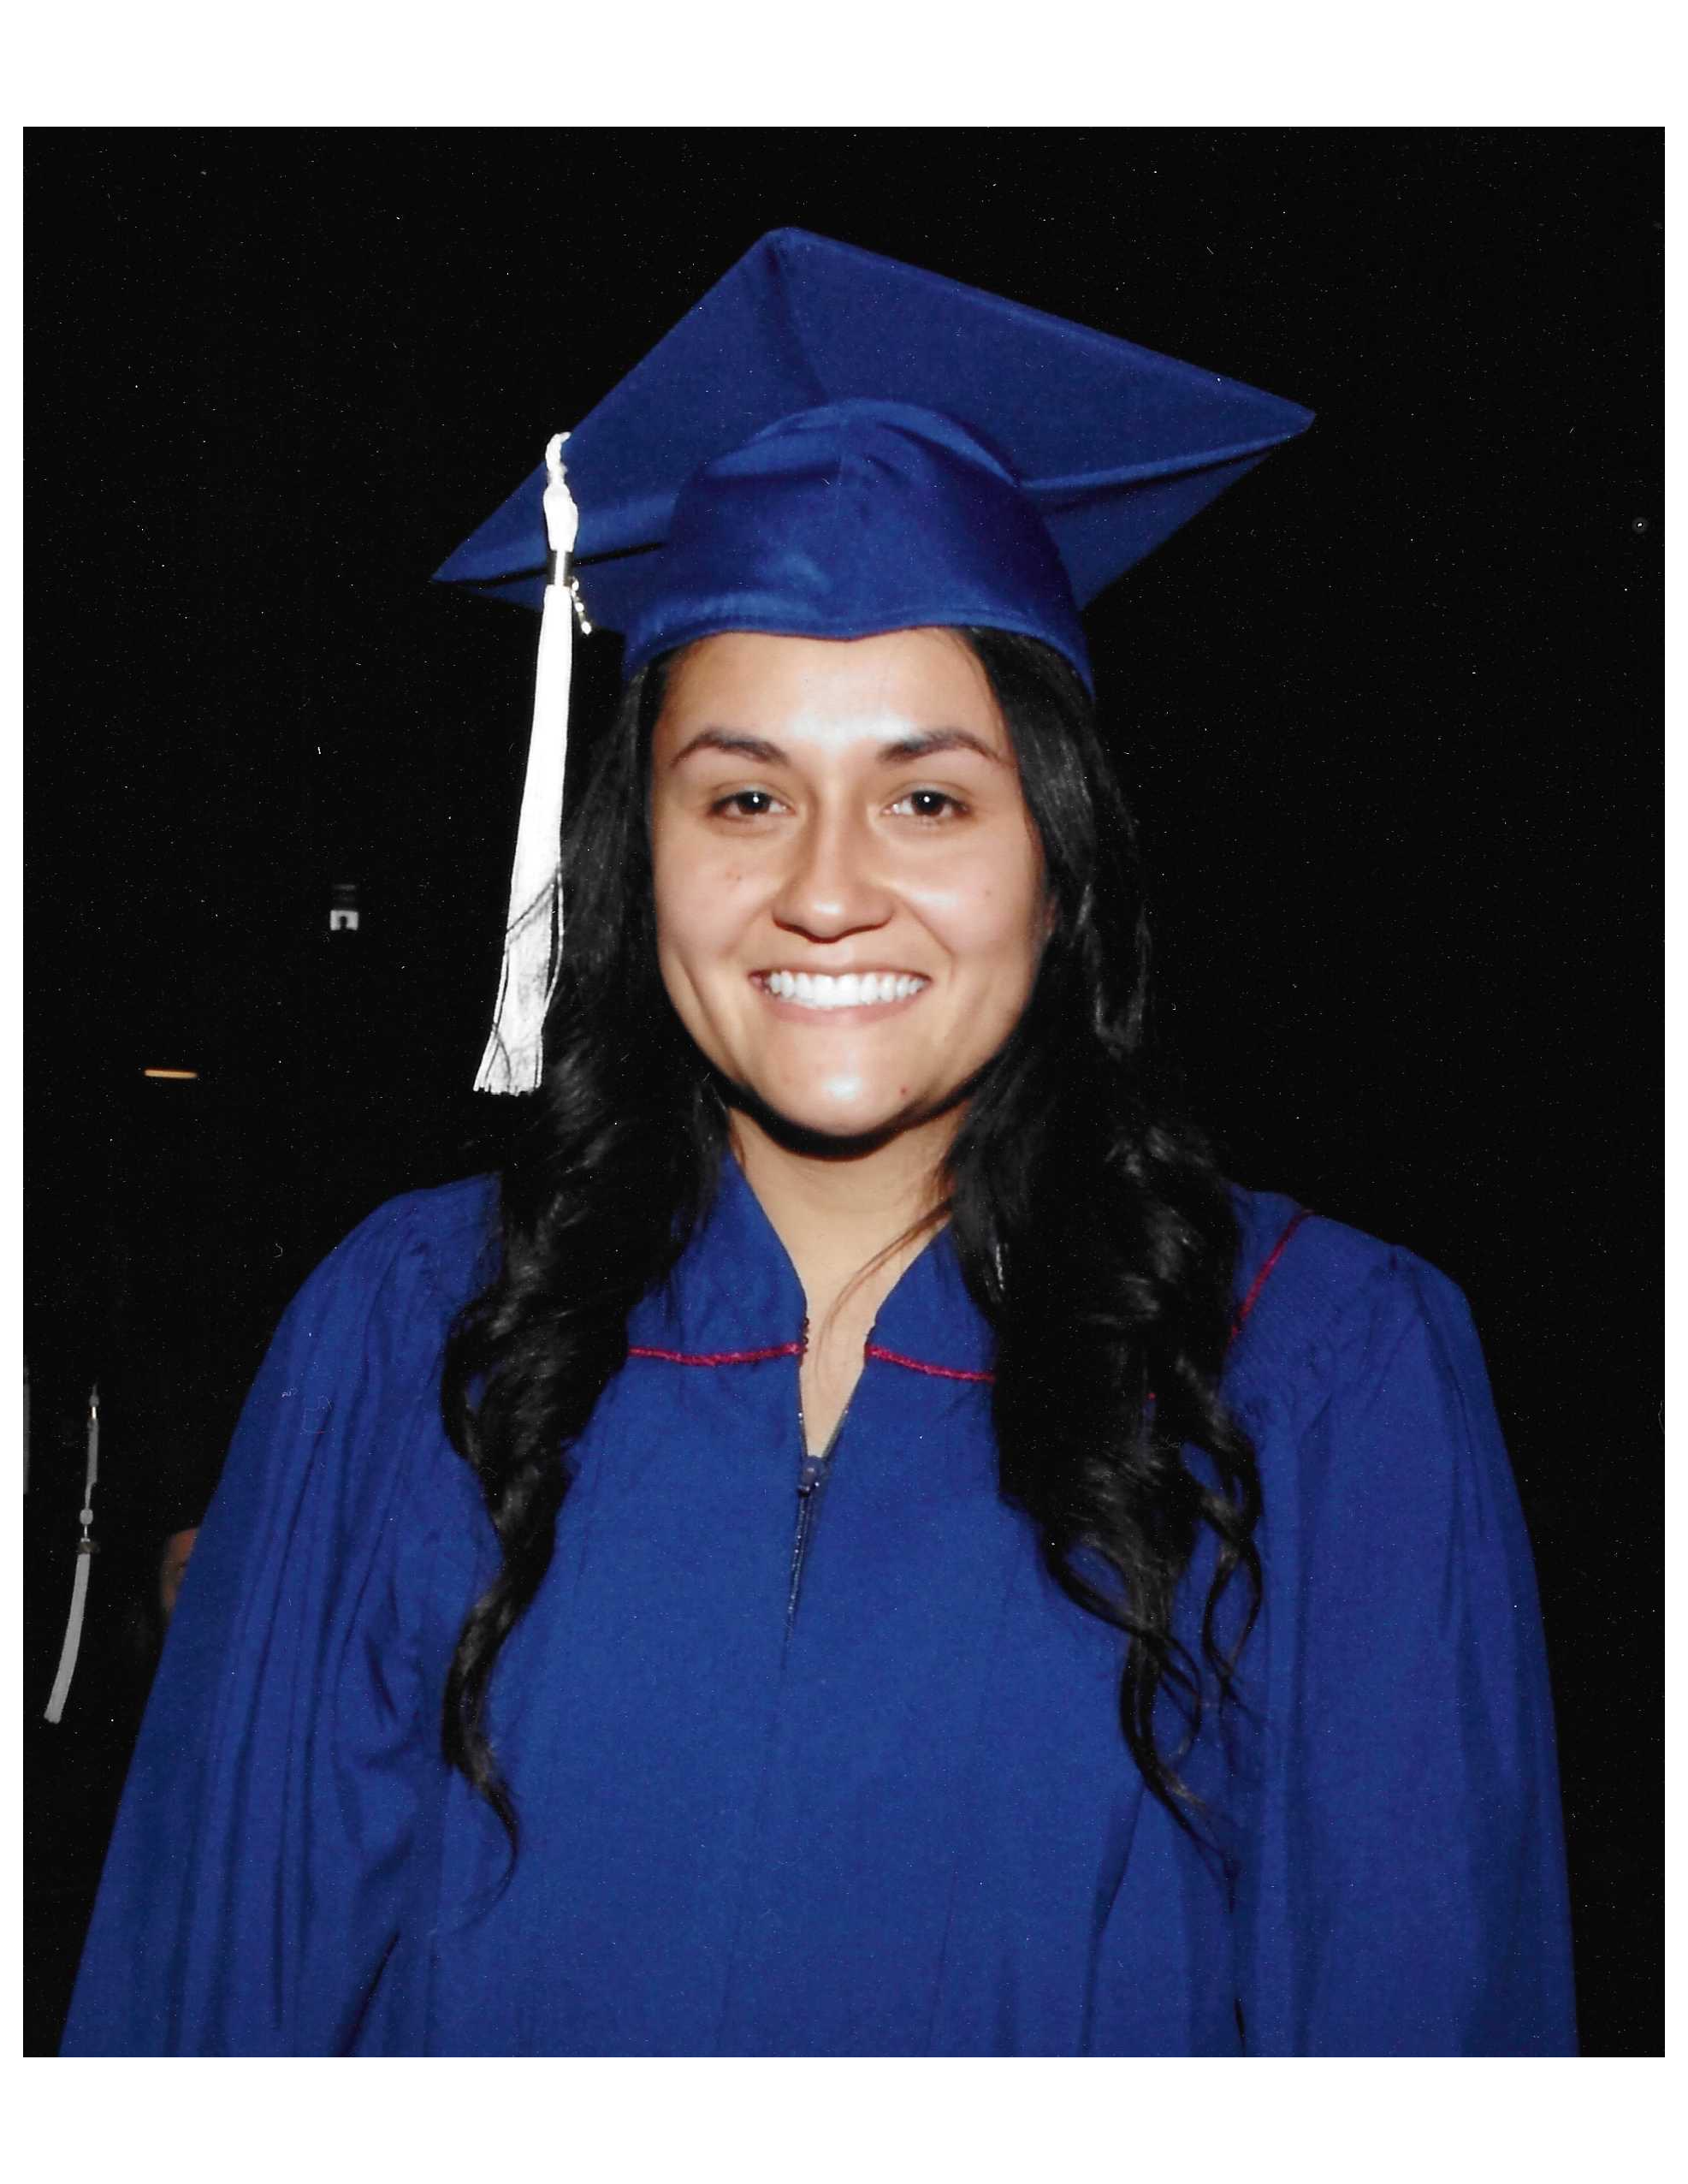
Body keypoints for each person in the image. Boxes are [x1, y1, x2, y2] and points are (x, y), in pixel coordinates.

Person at [62, 229, 1575, 2056]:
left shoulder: (1322, 1368)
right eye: (745, 794)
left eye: (927, 794)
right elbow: (201, 2010)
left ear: (1060, 857)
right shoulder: (405, 1327)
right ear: (640, 854)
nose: (828, 888)